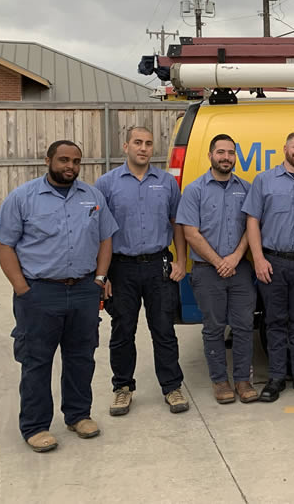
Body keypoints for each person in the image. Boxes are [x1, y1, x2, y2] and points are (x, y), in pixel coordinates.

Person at [0, 140, 118, 452]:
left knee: (81, 357)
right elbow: (4, 243)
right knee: (36, 361)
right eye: (64, 160)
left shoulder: (92, 196)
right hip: (40, 292)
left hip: (83, 291)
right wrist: (22, 288)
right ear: (48, 159)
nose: (70, 167)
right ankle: (35, 426)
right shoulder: (23, 197)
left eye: (76, 161)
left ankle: (78, 415)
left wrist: (100, 278)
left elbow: (106, 238)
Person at [96, 126, 189, 416]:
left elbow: (177, 223)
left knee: (164, 330)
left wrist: (181, 261)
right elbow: (99, 231)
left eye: (148, 143)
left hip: (158, 266)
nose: (143, 148)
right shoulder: (107, 184)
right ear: (126, 146)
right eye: (138, 142)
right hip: (121, 268)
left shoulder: (166, 183)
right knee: (123, 331)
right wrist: (103, 274)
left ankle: (172, 387)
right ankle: (122, 388)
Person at [245, 131, 294, 402]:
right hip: (272, 262)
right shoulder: (264, 181)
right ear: (285, 149)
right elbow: (253, 221)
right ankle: (277, 377)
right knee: (275, 321)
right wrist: (258, 258)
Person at [176, 134, 257, 404]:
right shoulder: (195, 190)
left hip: (239, 269)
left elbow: (251, 227)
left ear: (236, 157)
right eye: (220, 152)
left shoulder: (246, 188)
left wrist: (234, 257)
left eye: (231, 153)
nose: (226, 157)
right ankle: (220, 381)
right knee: (213, 328)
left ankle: (243, 380)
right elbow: (191, 232)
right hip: (206, 270)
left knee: (244, 326)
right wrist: (218, 261)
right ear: (210, 155)